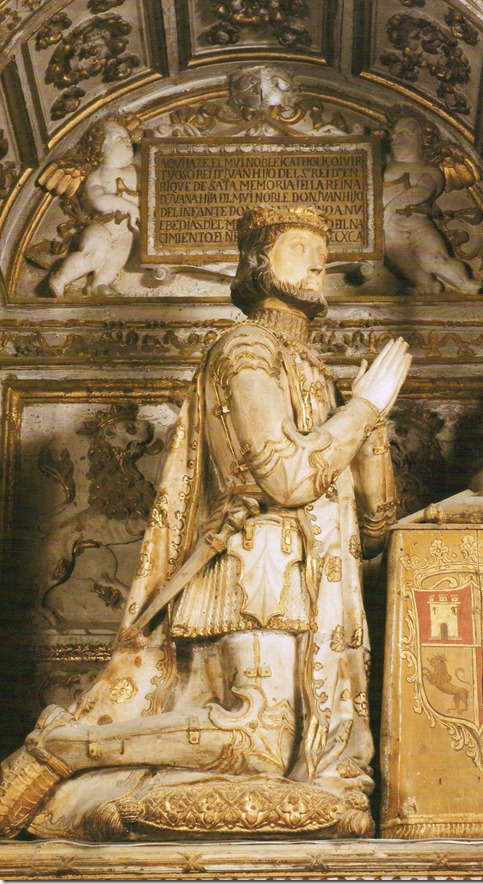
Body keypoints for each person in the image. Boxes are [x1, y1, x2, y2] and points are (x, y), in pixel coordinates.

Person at [0, 205, 411, 840]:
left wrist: (372, 423)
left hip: (327, 590)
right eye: (299, 247)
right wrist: (361, 410)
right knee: (255, 739)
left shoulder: (319, 373)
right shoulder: (243, 348)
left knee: (308, 779)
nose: (318, 260)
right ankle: (66, 748)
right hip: (259, 572)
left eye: (320, 249)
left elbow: (379, 529)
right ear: (259, 264)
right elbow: (286, 478)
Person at [383, 115, 483, 295]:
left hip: (418, 224)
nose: (395, 138)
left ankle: (464, 284)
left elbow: (423, 191)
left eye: (403, 133)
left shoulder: (428, 170)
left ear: (421, 140)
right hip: (389, 230)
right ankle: (427, 285)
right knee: (403, 259)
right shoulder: (382, 165)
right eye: (394, 134)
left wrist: (391, 207)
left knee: (436, 257)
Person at [46, 118, 139, 297]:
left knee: (117, 259)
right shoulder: (97, 175)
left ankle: (99, 284)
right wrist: (129, 207)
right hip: (102, 227)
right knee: (93, 255)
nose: (127, 141)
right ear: (100, 148)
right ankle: (61, 277)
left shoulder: (136, 170)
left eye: (127, 137)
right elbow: (99, 200)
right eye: (119, 138)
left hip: (127, 231)